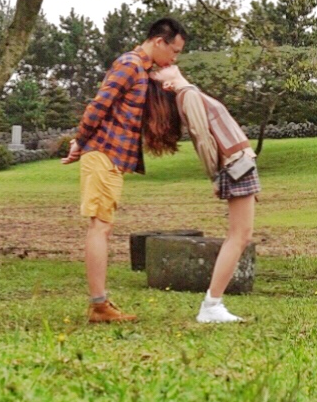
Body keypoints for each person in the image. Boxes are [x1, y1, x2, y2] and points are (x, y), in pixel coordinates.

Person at [62, 17, 188, 323]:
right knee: (100, 226)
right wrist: (79, 141)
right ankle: (98, 306)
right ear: (159, 41)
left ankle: (100, 303)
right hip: (103, 153)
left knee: (103, 226)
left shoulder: (143, 71)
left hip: (111, 157)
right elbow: (99, 104)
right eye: (175, 50)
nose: (174, 58)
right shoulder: (130, 64)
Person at [146, 61, 258, 324]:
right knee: (239, 236)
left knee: (241, 235)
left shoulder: (190, 93)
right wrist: (216, 175)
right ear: (166, 84)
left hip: (239, 164)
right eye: (157, 69)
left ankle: (213, 304)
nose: (166, 64)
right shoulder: (188, 96)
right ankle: (211, 304)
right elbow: (202, 137)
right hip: (234, 166)